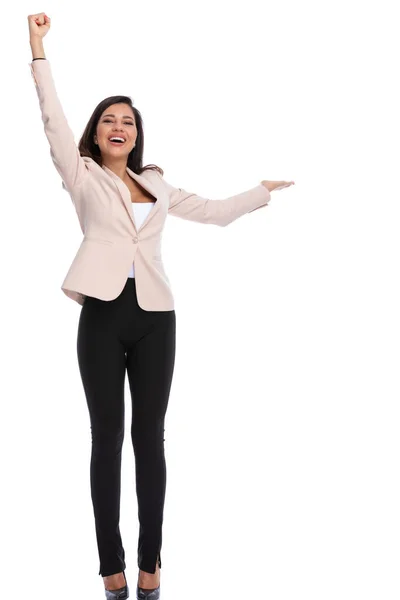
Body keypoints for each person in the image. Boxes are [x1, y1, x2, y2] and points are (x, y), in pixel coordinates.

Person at [28, 12, 294, 600]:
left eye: (128, 121)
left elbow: (217, 213)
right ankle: (110, 571)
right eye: (108, 120)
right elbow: (52, 119)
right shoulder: (81, 174)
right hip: (101, 313)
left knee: (151, 439)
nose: (117, 126)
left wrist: (260, 193)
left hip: (155, 318)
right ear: (96, 134)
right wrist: (38, 51)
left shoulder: (158, 185)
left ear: (137, 133)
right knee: (106, 439)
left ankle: (150, 567)